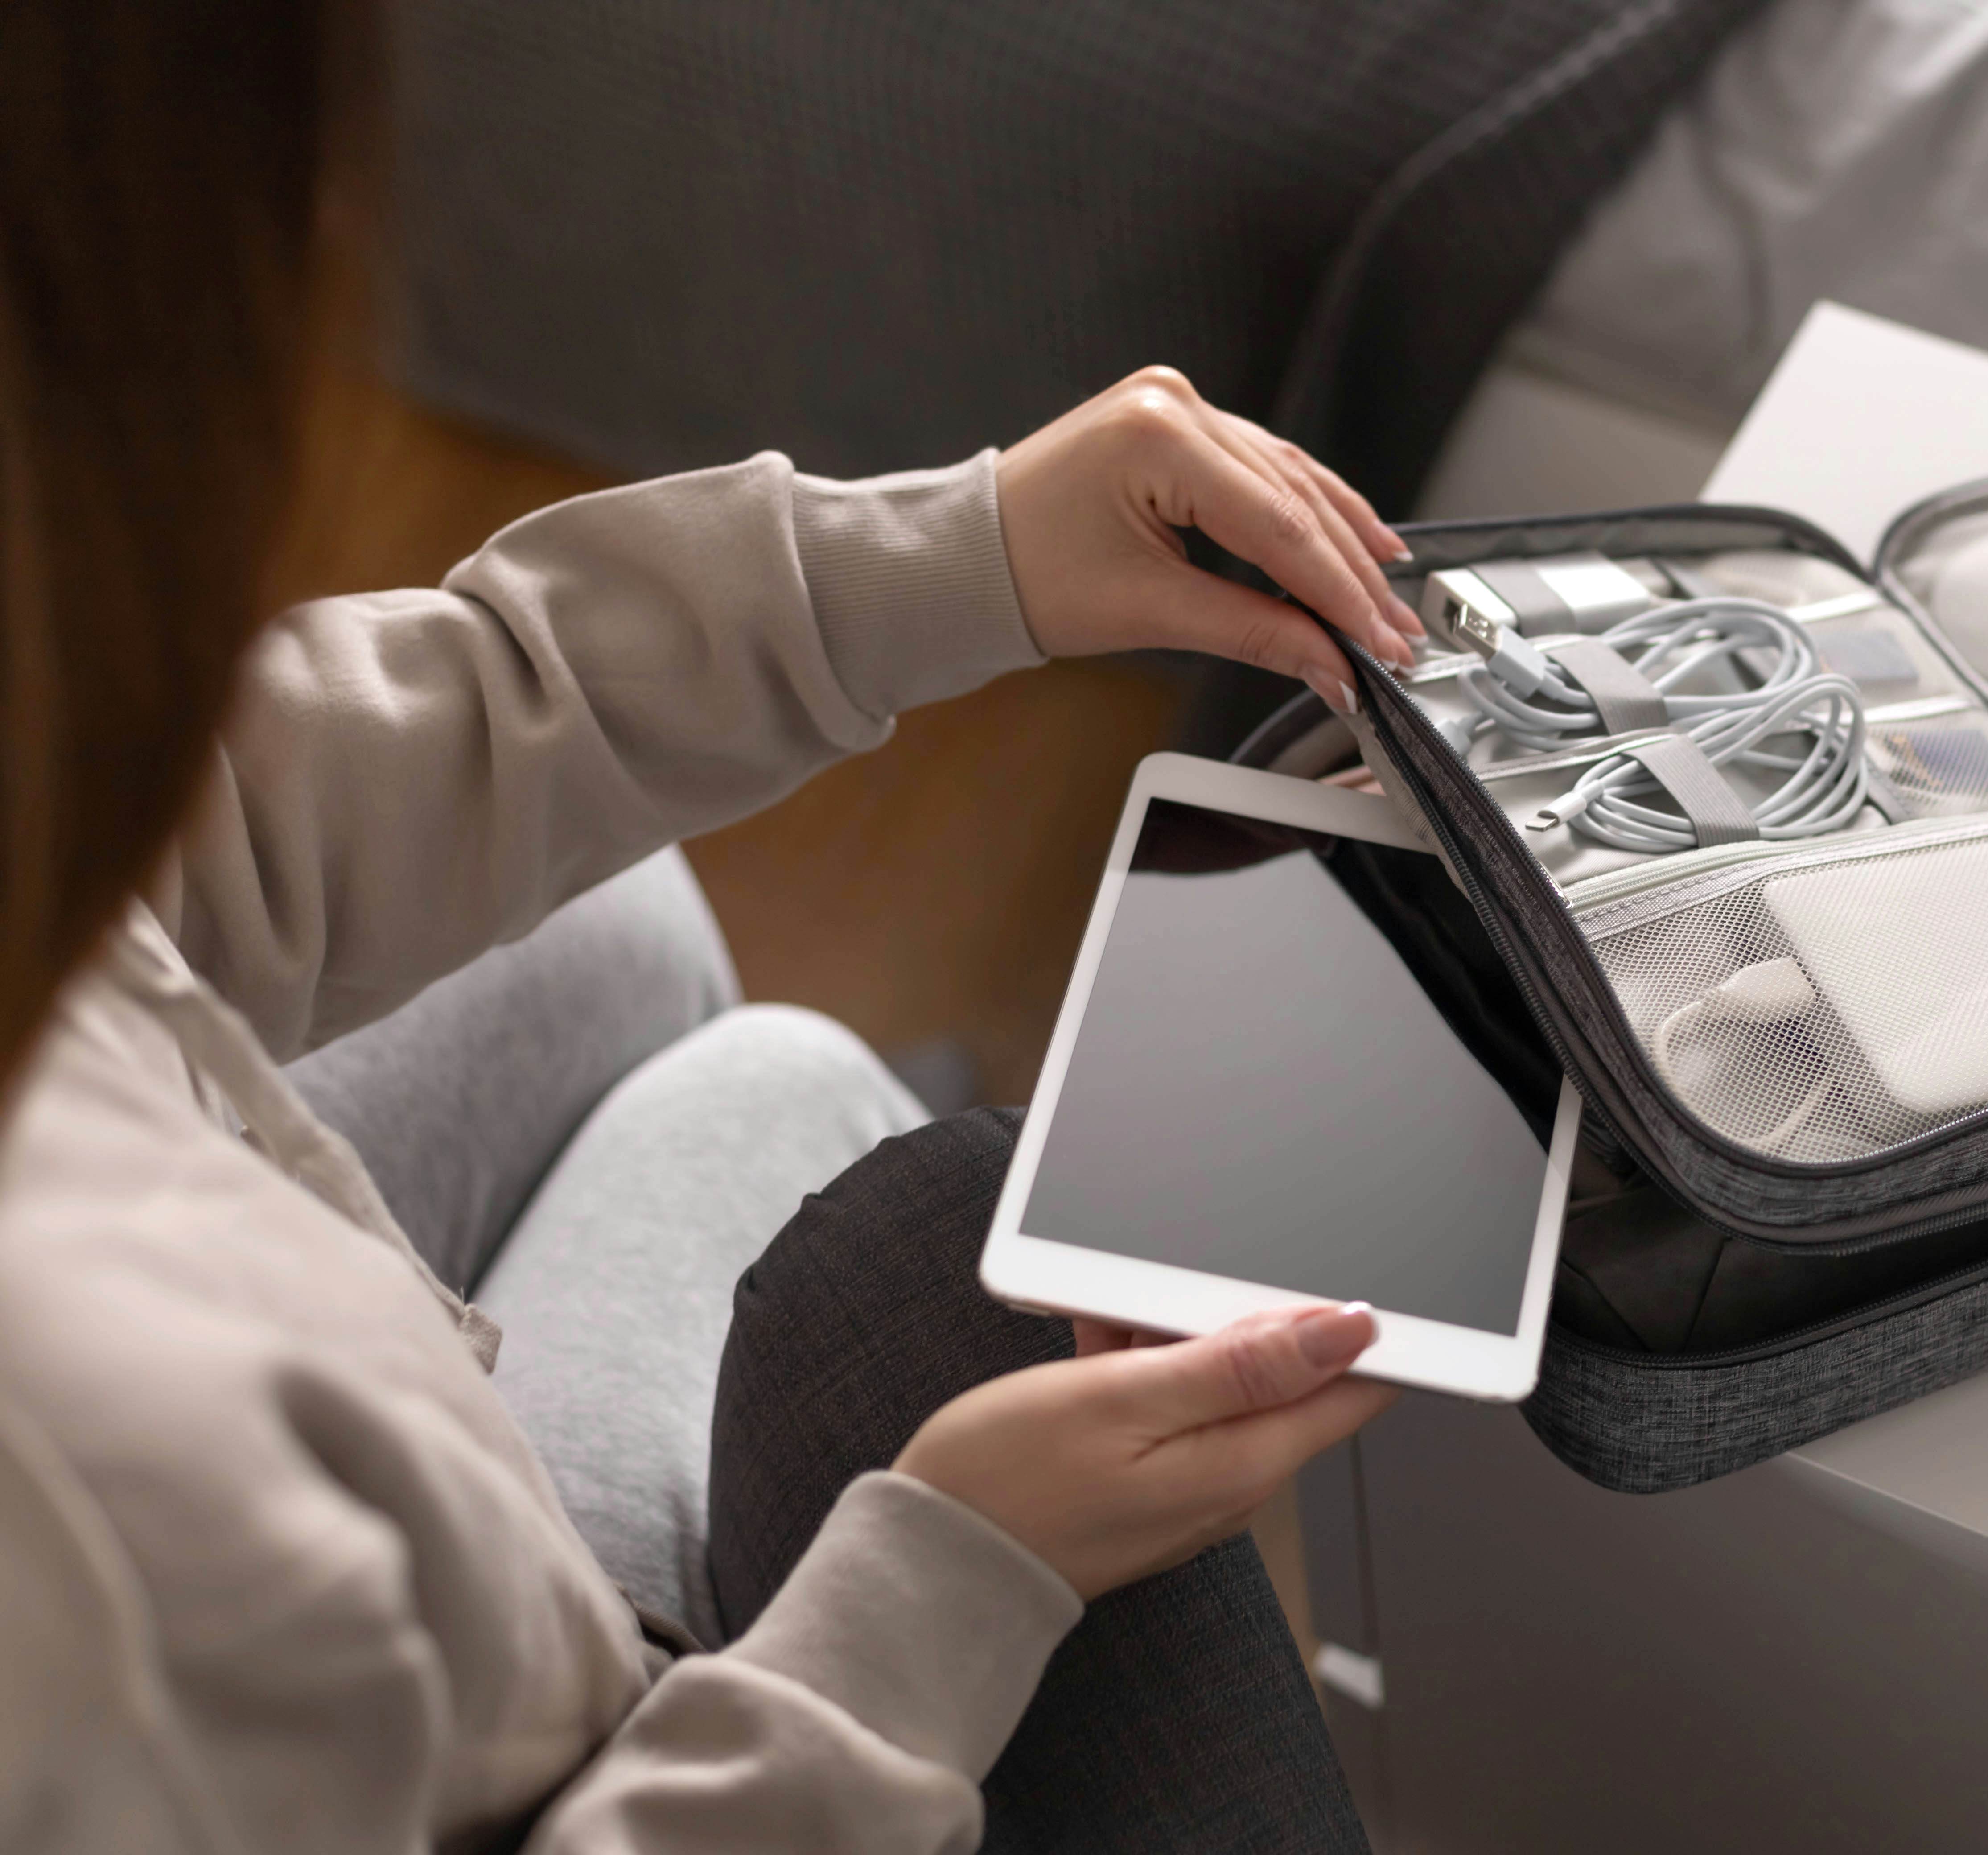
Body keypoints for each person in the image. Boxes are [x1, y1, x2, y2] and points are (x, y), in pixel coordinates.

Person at [0, 6, 1431, 1849]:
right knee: (820, 1126)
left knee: (622, 938)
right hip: (533, 1746)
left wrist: (954, 552)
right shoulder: (99, 1540)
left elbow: (239, 819)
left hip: (315, 1489)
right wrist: (942, 1589)